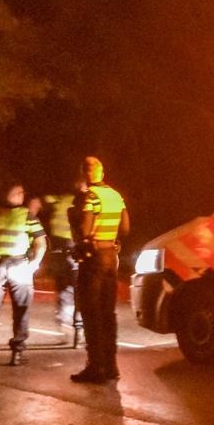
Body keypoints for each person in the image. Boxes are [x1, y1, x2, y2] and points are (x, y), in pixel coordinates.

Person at [69, 156, 129, 384]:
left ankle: (96, 367)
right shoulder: (115, 195)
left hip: (93, 260)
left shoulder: (91, 197)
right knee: (108, 313)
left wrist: (80, 242)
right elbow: (125, 227)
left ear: (84, 174)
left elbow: (85, 229)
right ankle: (112, 365)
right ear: (102, 173)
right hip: (111, 258)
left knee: (91, 313)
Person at [0, 183, 46, 367]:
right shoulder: (26, 215)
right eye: (22, 193)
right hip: (19, 265)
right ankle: (17, 352)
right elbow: (41, 243)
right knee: (21, 309)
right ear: (17, 195)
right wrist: (34, 264)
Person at [39, 183, 85, 337]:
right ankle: (78, 325)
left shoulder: (60, 199)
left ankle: (63, 319)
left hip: (57, 251)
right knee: (77, 288)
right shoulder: (81, 203)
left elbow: (44, 200)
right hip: (72, 249)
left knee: (63, 286)